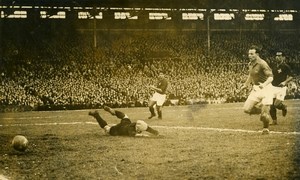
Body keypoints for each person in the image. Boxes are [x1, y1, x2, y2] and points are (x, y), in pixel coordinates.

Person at [241, 45, 274, 134]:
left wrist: (264, 84)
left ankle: (265, 128)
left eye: (252, 54)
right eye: (249, 54)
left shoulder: (263, 63)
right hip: (256, 89)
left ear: (257, 54)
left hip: (266, 89)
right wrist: (245, 85)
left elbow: (271, 77)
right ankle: (264, 111)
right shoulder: (250, 64)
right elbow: (251, 75)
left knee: (264, 115)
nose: (249, 55)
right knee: (246, 109)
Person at [88, 106, 159, 136]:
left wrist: (154, 132)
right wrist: (146, 135)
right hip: (118, 130)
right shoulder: (131, 131)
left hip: (127, 123)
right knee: (107, 128)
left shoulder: (135, 124)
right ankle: (97, 115)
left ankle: (113, 111)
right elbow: (135, 134)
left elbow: (146, 128)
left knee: (125, 116)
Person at [269, 51, 293, 125]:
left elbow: (291, 76)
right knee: (271, 105)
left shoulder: (286, 66)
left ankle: (283, 107)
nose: (277, 57)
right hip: (273, 87)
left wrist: (285, 82)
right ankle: (274, 121)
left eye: (280, 55)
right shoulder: (273, 66)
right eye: (276, 55)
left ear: (283, 57)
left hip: (281, 88)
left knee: (277, 104)